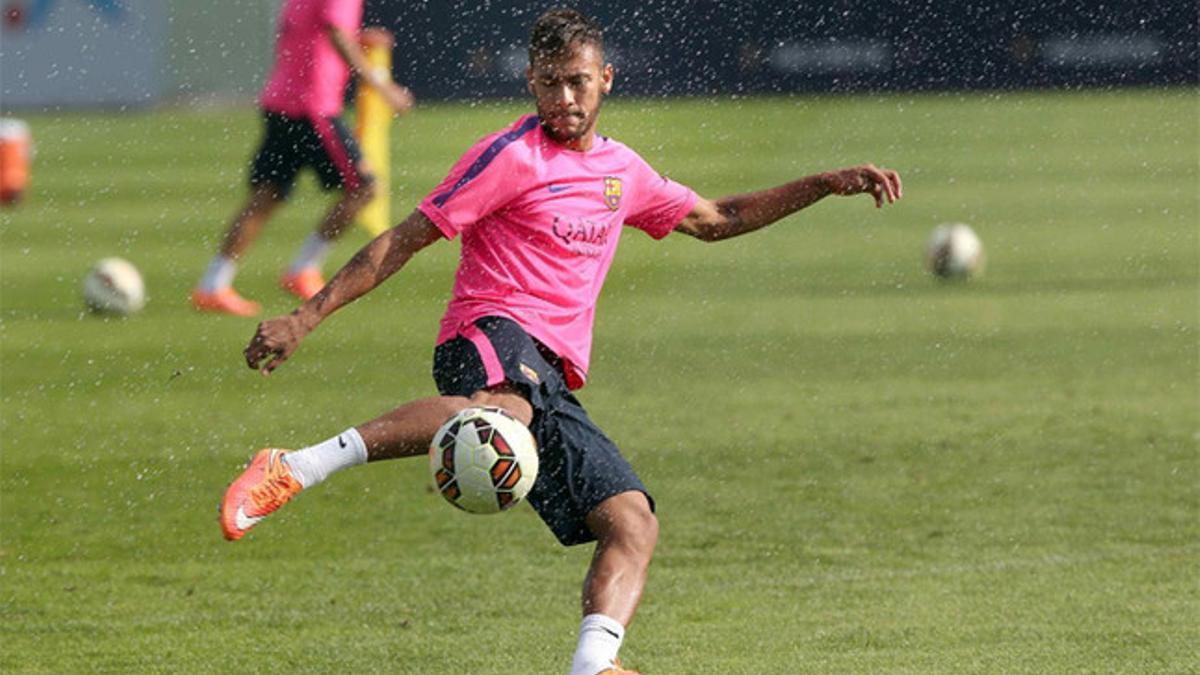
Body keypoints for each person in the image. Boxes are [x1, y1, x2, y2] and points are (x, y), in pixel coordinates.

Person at [219, 8, 902, 674]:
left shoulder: (622, 172)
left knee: (632, 521)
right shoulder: (509, 157)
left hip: (548, 371)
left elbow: (718, 218)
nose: (565, 96)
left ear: (606, 78)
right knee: (501, 413)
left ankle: (593, 663)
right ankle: (296, 465)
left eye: (578, 81)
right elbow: (404, 237)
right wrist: (304, 318)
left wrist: (821, 184)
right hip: (485, 331)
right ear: (532, 83)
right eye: (551, 82)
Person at [192, 0, 415, 316]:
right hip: (313, 106)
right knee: (364, 188)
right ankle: (303, 269)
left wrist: (358, 38)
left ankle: (213, 284)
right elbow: (335, 33)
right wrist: (382, 86)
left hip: (281, 100)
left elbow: (311, 32)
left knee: (266, 195)